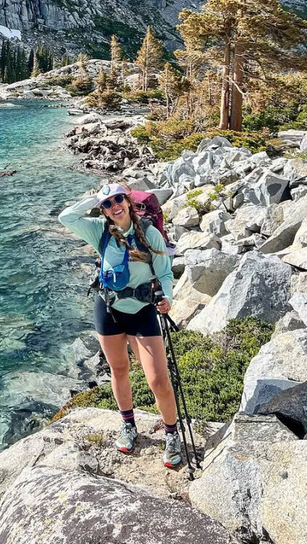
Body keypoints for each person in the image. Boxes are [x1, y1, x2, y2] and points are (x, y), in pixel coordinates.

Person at [59, 182, 181, 466]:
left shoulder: (150, 234)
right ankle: (128, 425)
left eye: (118, 200)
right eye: (108, 204)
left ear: (128, 202)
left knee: (158, 380)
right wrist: (94, 197)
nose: (115, 206)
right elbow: (66, 217)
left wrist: (168, 299)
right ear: (103, 210)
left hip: (142, 311)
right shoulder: (98, 231)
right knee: (119, 370)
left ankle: (172, 433)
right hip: (109, 310)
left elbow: (164, 274)